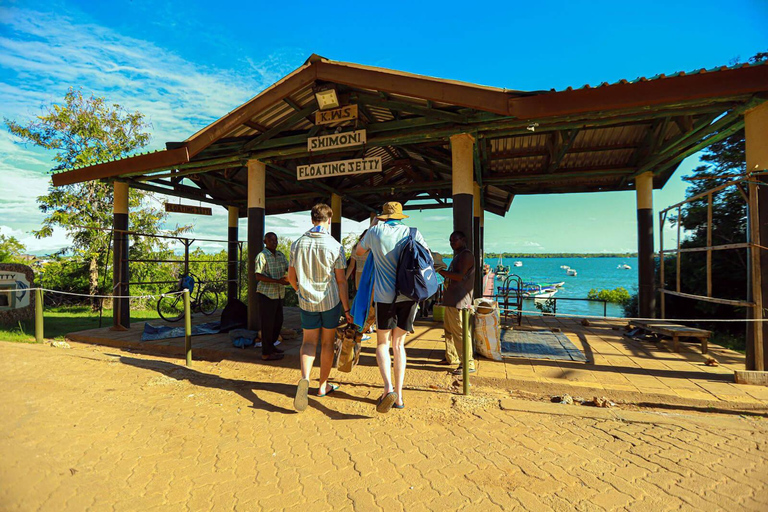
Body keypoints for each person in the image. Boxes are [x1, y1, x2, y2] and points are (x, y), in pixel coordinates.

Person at [357, 201, 429, 413]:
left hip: (384, 296)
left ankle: (388, 388)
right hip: (408, 295)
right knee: (399, 345)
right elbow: (426, 257)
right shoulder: (412, 232)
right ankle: (399, 395)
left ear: (383, 216)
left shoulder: (375, 232)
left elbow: (359, 252)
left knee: (382, 343)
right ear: (400, 216)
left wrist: (371, 228)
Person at [287, 203, 354, 412]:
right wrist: (346, 308)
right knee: (327, 344)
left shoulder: (297, 244)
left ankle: (305, 378)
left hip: (307, 301)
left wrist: (299, 290)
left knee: (308, 342)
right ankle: (323, 386)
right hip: (330, 302)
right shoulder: (335, 246)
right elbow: (341, 281)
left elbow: (290, 276)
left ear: (312, 219)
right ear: (328, 220)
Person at [437, 231, 476, 375]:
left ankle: (467, 363)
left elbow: (459, 276)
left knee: (460, 333)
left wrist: (441, 271)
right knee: (449, 332)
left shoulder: (466, 255)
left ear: (463, 239)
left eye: (455, 240)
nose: (452, 243)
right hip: (451, 300)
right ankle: (451, 356)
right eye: (450, 241)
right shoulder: (458, 256)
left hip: (459, 302)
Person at [253, 232, 289, 361]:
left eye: (276, 240)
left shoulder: (280, 255)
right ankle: (266, 353)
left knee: (278, 322)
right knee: (267, 324)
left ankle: (271, 346)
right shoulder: (262, 256)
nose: (274, 242)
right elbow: (258, 276)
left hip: (279, 294)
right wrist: (277, 281)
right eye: (271, 240)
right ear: (265, 241)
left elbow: (288, 268)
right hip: (266, 294)